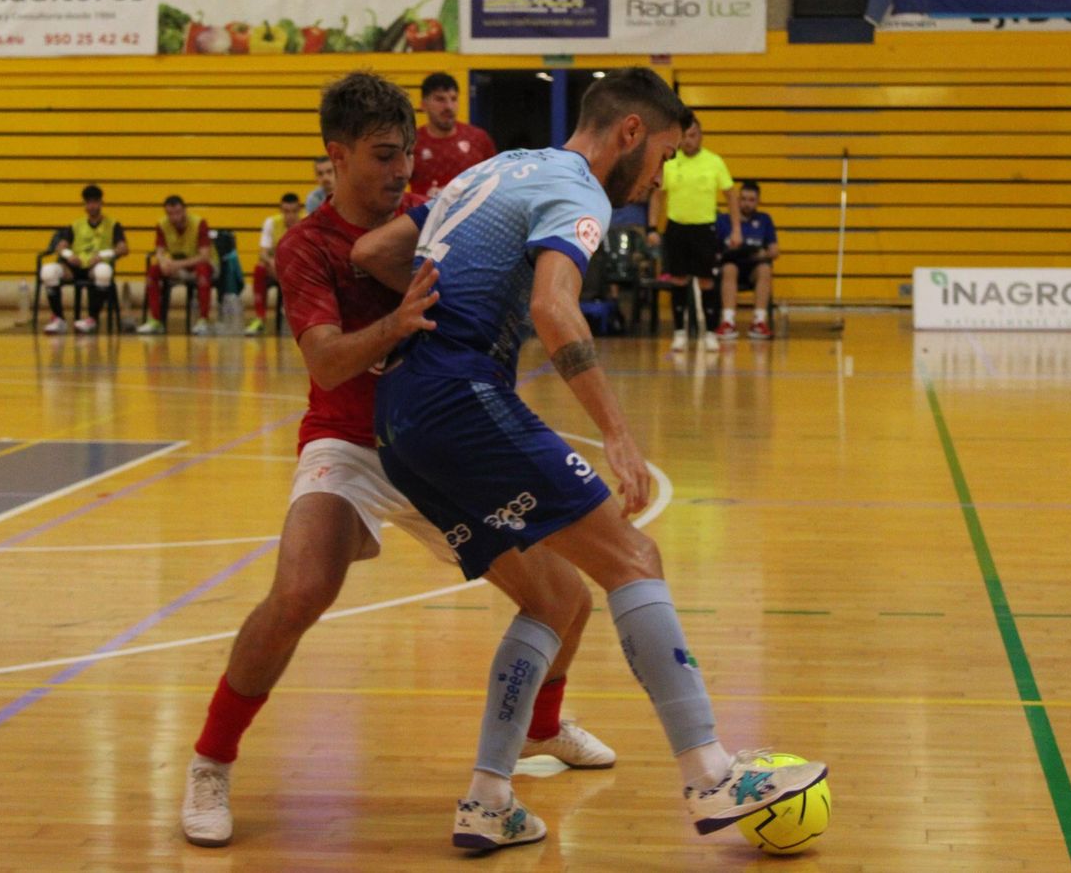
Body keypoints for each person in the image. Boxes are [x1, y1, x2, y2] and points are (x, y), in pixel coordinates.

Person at [354, 68, 827, 851]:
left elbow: (374, 249)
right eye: (668, 155)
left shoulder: (495, 167)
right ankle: (711, 771)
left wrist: (429, 310)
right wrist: (618, 434)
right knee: (634, 557)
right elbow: (552, 305)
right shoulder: (580, 190)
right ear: (633, 134)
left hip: (402, 419)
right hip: (457, 396)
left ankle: (487, 799)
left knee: (554, 600)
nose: (663, 175)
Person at [180, 72, 615, 849]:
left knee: (565, 597)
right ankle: (211, 761)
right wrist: (398, 324)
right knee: (300, 590)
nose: (400, 172)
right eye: (383, 157)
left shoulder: (439, 216)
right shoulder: (308, 247)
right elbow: (327, 364)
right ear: (336, 156)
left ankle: (544, 729)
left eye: (407, 154)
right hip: (350, 442)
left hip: (440, 443)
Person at [648, 110, 738, 352]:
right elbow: (657, 196)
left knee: (707, 282)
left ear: (701, 136)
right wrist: (652, 227)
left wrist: (736, 229)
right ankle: (679, 333)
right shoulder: (670, 162)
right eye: (685, 136)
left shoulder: (714, 162)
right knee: (678, 280)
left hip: (704, 229)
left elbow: (731, 196)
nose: (689, 140)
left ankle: (709, 332)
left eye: (694, 135)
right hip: (677, 228)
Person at [40, 185, 127, 335]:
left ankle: (91, 319)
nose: (92, 206)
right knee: (47, 272)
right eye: (88, 203)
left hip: (95, 266)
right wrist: (68, 255)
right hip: (74, 267)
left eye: (95, 202)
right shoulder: (76, 225)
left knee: (104, 272)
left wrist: (103, 255)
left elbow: (123, 248)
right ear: (85, 205)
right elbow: (60, 246)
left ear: (101, 203)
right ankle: (59, 320)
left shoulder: (113, 224)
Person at [138, 195, 215, 335]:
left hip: (202, 264)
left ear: (185, 210)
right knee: (153, 271)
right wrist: (163, 262)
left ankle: (204, 320)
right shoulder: (162, 224)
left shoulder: (199, 223)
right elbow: (159, 251)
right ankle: (155, 320)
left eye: (178, 213)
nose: (174, 217)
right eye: (170, 214)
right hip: (178, 267)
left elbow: (204, 256)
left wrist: (176, 264)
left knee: (203, 270)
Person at [412, 73, 497, 196]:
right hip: (427, 214)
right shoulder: (413, 142)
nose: (449, 106)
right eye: (440, 99)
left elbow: (496, 180)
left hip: (473, 214)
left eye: (453, 99)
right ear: (423, 105)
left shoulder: (478, 138)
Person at [715, 179, 778, 340]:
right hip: (730, 266)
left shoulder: (765, 220)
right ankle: (728, 322)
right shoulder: (723, 220)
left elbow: (774, 250)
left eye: (751, 200)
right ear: (737, 200)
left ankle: (759, 322)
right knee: (730, 269)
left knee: (765, 269)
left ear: (758, 201)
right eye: (743, 199)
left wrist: (761, 254)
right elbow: (714, 249)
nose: (746, 204)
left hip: (753, 268)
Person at [245, 191, 303, 335]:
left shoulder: (307, 224)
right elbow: (263, 253)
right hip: (277, 268)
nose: (290, 216)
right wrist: (272, 262)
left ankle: (301, 318)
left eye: (294, 212)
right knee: (259, 269)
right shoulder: (271, 223)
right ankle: (260, 318)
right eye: (286, 211)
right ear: (281, 210)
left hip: (299, 270)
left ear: (299, 211)